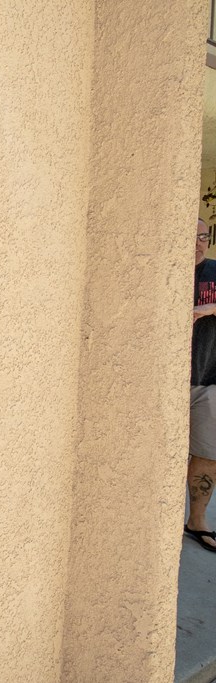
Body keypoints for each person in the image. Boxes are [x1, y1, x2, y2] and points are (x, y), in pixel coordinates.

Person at [188, 217, 216, 551]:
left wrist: (211, 307)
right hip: (163, 383)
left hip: (207, 380)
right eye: (191, 235)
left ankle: (197, 521)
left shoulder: (214, 271)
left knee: (207, 453)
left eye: (203, 236)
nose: (197, 242)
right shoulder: (162, 270)